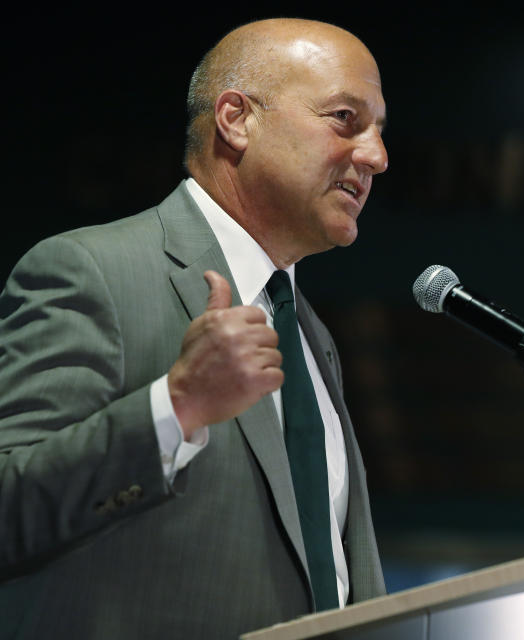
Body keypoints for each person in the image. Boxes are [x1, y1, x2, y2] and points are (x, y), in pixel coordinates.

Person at [0, 18, 388, 639]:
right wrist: (175, 406)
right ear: (236, 119)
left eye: (378, 132)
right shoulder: (94, 271)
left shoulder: (311, 334)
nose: (376, 156)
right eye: (345, 119)